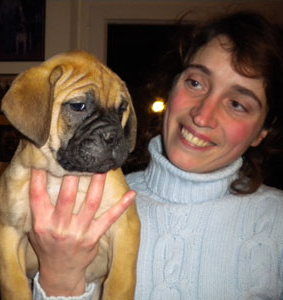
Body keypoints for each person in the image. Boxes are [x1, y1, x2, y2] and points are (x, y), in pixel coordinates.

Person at [28, 10, 283, 299]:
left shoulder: (277, 221)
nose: (202, 116)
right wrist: (59, 279)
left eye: (237, 104)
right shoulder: (92, 205)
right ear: (173, 85)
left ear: (262, 132)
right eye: (195, 83)